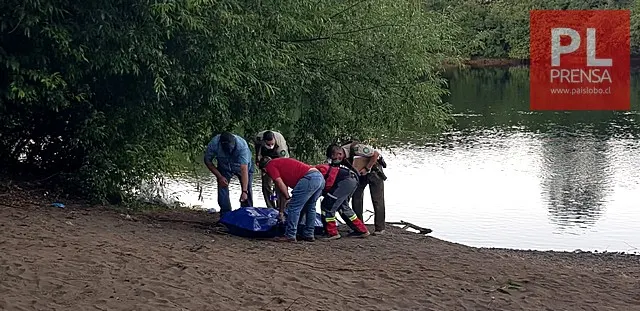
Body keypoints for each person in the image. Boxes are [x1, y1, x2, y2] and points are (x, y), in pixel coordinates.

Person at [259, 156, 325, 242]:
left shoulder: (270, 166)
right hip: (319, 177)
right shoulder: (279, 164)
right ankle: (309, 234)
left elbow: (279, 183)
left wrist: (288, 198)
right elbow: (282, 190)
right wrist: (281, 212)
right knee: (310, 207)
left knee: (293, 207)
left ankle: (290, 235)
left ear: (264, 168)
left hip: (309, 178)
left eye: (264, 172)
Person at [315, 144, 370, 240]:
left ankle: (332, 233)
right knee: (343, 206)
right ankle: (361, 230)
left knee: (328, 205)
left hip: (346, 182)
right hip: (352, 180)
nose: (337, 157)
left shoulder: (321, 169)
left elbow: (328, 184)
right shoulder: (333, 166)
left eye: (339, 154)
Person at [339, 140, 387, 235]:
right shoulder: (342, 158)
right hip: (360, 174)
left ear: (341, 151)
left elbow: (376, 154)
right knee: (356, 197)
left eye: (338, 156)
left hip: (374, 171)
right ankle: (358, 226)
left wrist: (367, 168)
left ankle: (380, 228)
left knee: (377, 200)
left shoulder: (357, 148)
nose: (338, 158)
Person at [204, 132, 253, 216]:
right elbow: (207, 161)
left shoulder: (242, 146)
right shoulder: (214, 144)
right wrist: (219, 176)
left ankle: (246, 214)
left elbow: (244, 169)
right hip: (224, 166)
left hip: (241, 166)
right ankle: (225, 215)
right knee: (222, 186)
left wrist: (244, 191)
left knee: (247, 189)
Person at [254, 130, 289, 209]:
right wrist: (257, 159)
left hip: (279, 160)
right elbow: (257, 148)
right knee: (266, 186)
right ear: (264, 141)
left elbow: (284, 162)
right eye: (268, 144)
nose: (270, 145)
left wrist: (277, 176)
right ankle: (271, 206)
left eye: (272, 144)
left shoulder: (281, 146)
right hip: (265, 159)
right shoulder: (259, 138)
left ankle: (280, 207)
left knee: (279, 187)